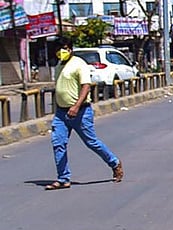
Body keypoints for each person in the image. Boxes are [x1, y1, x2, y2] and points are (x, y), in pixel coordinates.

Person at [45, 36, 124, 190]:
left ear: (70, 49)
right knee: (58, 144)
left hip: (80, 111)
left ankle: (114, 162)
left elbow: (86, 86)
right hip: (61, 113)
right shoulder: (59, 66)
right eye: (58, 49)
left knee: (91, 142)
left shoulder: (79, 64)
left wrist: (76, 106)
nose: (61, 52)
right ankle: (63, 178)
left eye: (65, 48)